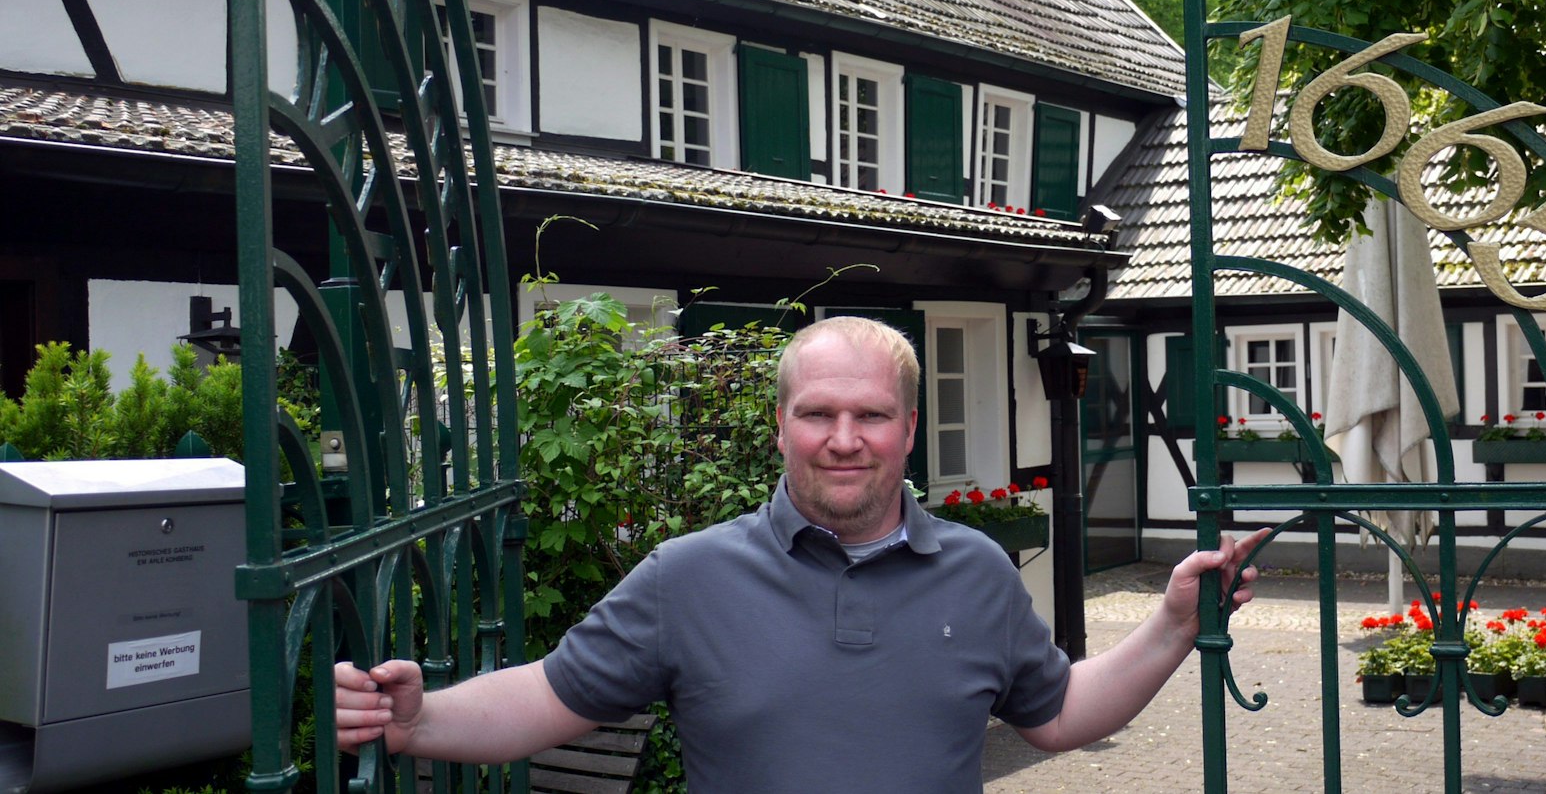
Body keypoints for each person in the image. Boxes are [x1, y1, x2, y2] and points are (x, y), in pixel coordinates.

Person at [335, 315, 1267, 789]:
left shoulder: (978, 570)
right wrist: (420, 724)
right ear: (781, 425)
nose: (843, 437)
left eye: (869, 415)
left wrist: (1173, 624)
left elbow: (1058, 712)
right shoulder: (687, 576)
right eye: (818, 413)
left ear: (910, 428)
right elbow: (545, 696)